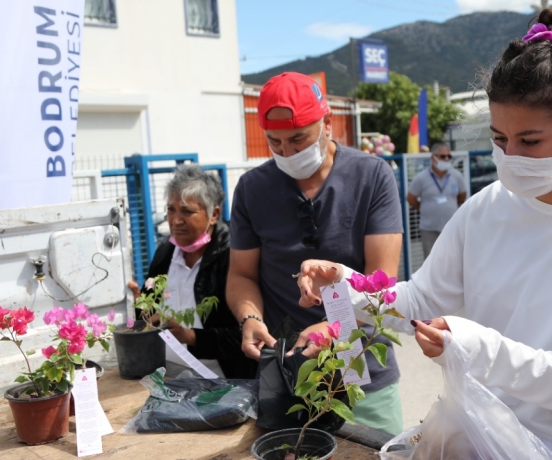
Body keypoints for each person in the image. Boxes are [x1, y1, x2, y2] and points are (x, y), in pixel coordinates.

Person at [296, 8, 552, 460]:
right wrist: (345, 285)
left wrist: (478, 346)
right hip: (479, 449)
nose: (511, 155)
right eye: (499, 139)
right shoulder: (487, 208)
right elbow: (422, 299)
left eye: (530, 141)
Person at [226, 71, 405, 435]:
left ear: (327, 122)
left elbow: (381, 286)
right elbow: (241, 274)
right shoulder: (252, 189)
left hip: (360, 369)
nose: (287, 152)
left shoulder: (372, 177)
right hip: (288, 373)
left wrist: (335, 328)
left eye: (298, 139)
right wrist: (249, 318)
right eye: (274, 142)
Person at [125, 164, 252, 379]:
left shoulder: (233, 255)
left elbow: (248, 333)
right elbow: (152, 317)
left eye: (187, 211)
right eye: (171, 209)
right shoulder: (166, 252)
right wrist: (140, 308)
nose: (175, 220)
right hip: (166, 372)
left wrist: (193, 337)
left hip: (220, 379)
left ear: (214, 214)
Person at [406, 142, 468, 257]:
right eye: (443, 156)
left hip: (451, 227)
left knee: (453, 260)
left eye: (449, 156)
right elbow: (411, 198)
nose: (446, 159)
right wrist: (424, 208)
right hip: (429, 229)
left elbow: (462, 195)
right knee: (431, 261)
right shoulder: (421, 178)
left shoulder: (456, 176)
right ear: (433, 158)